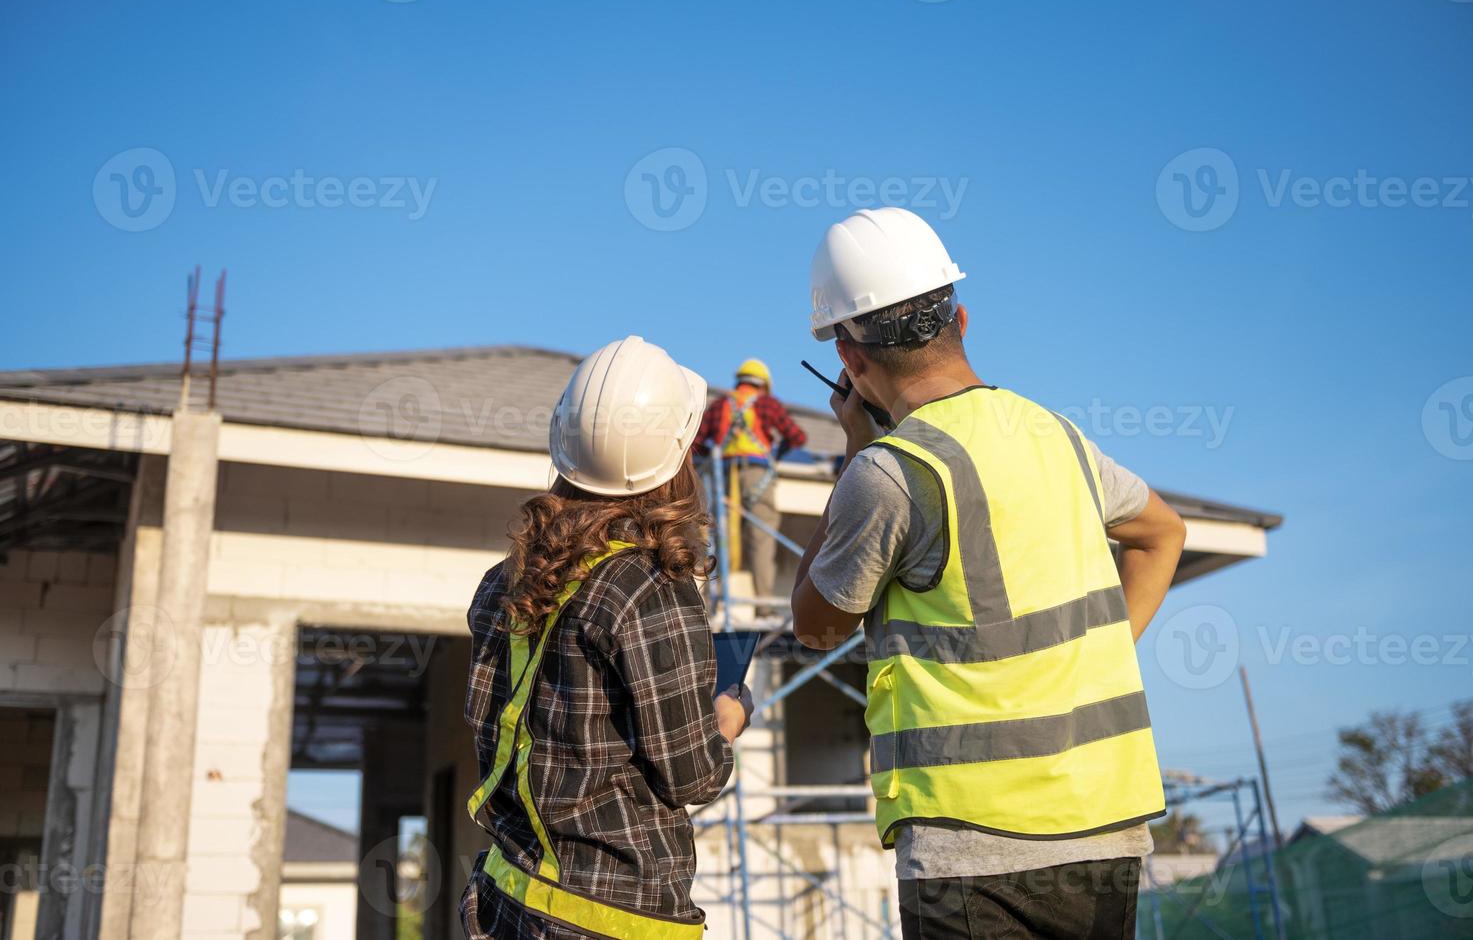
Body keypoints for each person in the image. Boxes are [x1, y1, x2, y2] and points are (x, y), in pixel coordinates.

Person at [790, 208, 1188, 940]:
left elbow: (815, 626)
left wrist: (852, 450)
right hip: (1104, 825)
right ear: (960, 317)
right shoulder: (1056, 437)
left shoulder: (887, 471)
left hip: (972, 841)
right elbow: (1162, 535)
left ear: (848, 361)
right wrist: (1100, 649)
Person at [461, 336, 754, 940]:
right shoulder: (648, 585)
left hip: (506, 898)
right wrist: (726, 717)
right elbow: (692, 774)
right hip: (611, 914)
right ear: (676, 458)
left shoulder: (503, 581)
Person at [694, 358, 807, 614]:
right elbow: (797, 437)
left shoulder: (721, 404)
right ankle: (763, 607)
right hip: (758, 476)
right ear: (763, 384)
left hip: (723, 478)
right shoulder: (767, 404)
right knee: (762, 539)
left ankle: (715, 604)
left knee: (722, 538)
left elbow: (697, 443)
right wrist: (776, 454)